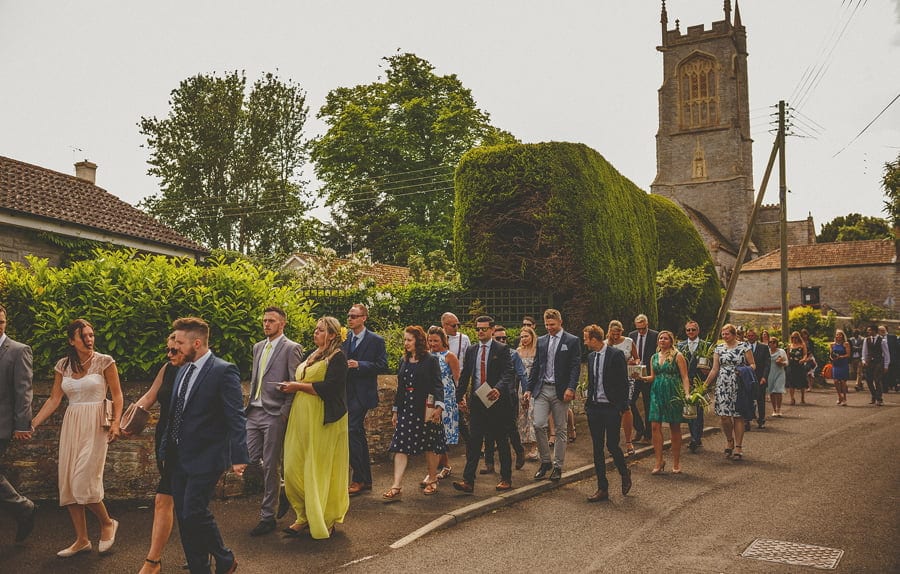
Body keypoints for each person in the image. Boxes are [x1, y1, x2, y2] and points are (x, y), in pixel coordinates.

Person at [158, 317, 247, 573]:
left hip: (207, 456)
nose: (175, 347)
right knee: (185, 519)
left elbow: (235, 415)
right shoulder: (182, 370)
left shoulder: (223, 370)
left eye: (181, 342)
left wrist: (239, 455)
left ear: (197, 343)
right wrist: (166, 450)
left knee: (194, 511)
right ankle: (200, 568)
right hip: (177, 457)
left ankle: (225, 557)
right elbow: (174, 414)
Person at [30, 318, 123, 558]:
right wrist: (32, 424)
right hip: (72, 423)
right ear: (72, 340)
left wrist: (115, 423)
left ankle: (107, 523)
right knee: (69, 483)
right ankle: (82, 539)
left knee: (84, 480)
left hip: (95, 424)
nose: (89, 340)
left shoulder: (105, 362)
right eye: (84, 336)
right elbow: (54, 399)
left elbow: (118, 394)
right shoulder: (63, 365)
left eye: (91, 335)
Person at [280, 317, 350, 537]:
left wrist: (297, 386)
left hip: (323, 417)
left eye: (320, 330)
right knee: (293, 467)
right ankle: (302, 514)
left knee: (319, 468)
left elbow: (330, 387)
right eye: (315, 329)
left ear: (331, 334)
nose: (315, 332)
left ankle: (324, 516)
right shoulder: (313, 353)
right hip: (301, 416)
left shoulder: (338, 357)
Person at [126, 334, 186, 573]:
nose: (169, 354)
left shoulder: (201, 373)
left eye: (174, 350)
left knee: (164, 499)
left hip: (187, 444)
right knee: (183, 502)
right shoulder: (167, 369)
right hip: (165, 441)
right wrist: (127, 422)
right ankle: (210, 552)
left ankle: (153, 561)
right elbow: (150, 397)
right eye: (167, 350)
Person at [245, 306, 303, 535]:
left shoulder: (292, 348)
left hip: (274, 413)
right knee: (247, 459)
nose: (266, 324)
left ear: (282, 324)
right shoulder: (258, 347)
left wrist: (284, 413)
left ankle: (267, 517)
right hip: (253, 412)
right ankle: (282, 489)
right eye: (264, 320)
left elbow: (293, 383)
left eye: (271, 321)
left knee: (270, 464)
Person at [453, 316, 516, 493]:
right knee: (474, 442)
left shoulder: (501, 349)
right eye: (478, 329)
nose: (480, 331)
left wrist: (498, 388)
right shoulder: (472, 350)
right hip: (478, 401)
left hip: (497, 401)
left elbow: (508, 373)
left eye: (483, 329)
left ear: (492, 330)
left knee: (501, 441)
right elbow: (465, 375)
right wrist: (459, 397)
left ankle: (506, 478)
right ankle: (468, 481)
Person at [383, 326, 445, 500]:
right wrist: (395, 411)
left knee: (429, 445)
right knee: (400, 446)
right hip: (407, 409)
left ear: (418, 340)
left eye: (409, 340)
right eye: (405, 340)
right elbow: (400, 388)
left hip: (425, 409)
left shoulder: (430, 360)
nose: (406, 343)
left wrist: (439, 408)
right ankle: (396, 485)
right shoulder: (404, 360)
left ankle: (432, 479)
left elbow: (437, 385)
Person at [523, 308, 581, 481]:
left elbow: (575, 366)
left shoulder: (571, 340)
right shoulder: (541, 341)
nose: (549, 328)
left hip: (561, 390)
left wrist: (571, 387)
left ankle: (558, 465)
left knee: (561, 428)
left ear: (560, 322)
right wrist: (528, 388)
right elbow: (536, 366)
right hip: (542, 388)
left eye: (552, 325)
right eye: (547, 325)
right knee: (539, 424)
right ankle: (545, 461)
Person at [582, 325, 632, 502]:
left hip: (611, 408)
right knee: (597, 448)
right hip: (594, 408)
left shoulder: (615, 355)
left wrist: (621, 407)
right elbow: (592, 380)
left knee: (612, 445)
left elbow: (623, 382)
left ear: (594, 339)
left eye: (586, 338)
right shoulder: (590, 357)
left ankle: (624, 472)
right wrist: (588, 403)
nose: (585, 341)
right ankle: (602, 488)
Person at [343, 304, 387, 497]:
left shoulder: (376, 340)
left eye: (354, 316)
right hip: (346, 392)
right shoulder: (344, 338)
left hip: (363, 394)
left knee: (352, 430)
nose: (350, 319)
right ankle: (366, 479)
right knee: (357, 434)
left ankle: (358, 479)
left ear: (364, 318)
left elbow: (382, 365)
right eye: (349, 316)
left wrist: (359, 364)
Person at [0, 304, 36, 544]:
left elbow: (24, 391)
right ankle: (23, 508)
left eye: (1, 321)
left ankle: (24, 507)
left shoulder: (18, 351)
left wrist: (22, 424)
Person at [635, 330, 690, 474]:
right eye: (660, 338)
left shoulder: (678, 356)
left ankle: (676, 462)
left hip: (673, 392)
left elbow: (685, 377)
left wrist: (687, 393)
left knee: (674, 426)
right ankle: (659, 461)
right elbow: (652, 377)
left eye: (665, 338)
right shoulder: (653, 357)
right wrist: (641, 378)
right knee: (654, 426)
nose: (662, 340)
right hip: (656, 392)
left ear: (671, 341)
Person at [704, 324, 755, 461]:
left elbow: (753, 365)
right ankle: (729, 440)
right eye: (723, 334)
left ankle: (738, 446)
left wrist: (743, 370)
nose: (724, 336)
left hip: (738, 384)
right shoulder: (719, 348)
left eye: (727, 334)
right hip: (722, 385)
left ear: (733, 334)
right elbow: (715, 369)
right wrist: (705, 385)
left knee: (738, 416)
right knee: (724, 417)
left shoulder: (744, 347)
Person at [481, 325, 525, 473]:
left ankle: (519, 452)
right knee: (488, 428)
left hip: (508, 395)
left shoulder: (513, 354)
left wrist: (526, 392)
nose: (502, 340)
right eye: (498, 338)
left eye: (504, 338)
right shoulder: (485, 353)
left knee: (510, 428)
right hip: (488, 393)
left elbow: (521, 374)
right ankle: (489, 463)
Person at [426, 326, 460, 482]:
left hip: (447, 398)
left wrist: (461, 398)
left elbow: (457, 379)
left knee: (442, 434)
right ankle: (445, 466)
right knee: (434, 434)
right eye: (430, 340)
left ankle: (432, 472)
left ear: (443, 340)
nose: (433, 344)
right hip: (431, 398)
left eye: (436, 341)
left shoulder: (449, 356)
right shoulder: (426, 356)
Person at [675, 320, 711, 453]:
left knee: (699, 412)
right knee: (689, 409)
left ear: (698, 330)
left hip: (700, 383)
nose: (690, 332)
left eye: (693, 330)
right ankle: (694, 437)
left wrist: (706, 372)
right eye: (688, 330)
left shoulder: (705, 345)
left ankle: (696, 438)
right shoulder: (680, 345)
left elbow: (711, 365)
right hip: (685, 383)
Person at [628, 314, 659, 444]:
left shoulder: (655, 335)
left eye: (643, 328)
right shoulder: (632, 336)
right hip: (635, 374)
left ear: (647, 325)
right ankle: (639, 428)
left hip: (648, 374)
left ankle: (648, 434)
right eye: (639, 328)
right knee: (629, 401)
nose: (641, 331)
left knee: (648, 404)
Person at [514, 326, 538, 461]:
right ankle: (523, 445)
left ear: (532, 336)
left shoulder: (537, 350)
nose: (523, 339)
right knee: (522, 415)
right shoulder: (518, 352)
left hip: (533, 386)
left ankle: (535, 447)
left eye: (526, 336)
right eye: (522, 336)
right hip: (521, 387)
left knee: (532, 415)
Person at [746, 329, 771, 429]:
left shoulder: (763, 348)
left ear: (756, 337)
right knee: (747, 399)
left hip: (760, 377)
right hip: (747, 377)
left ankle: (761, 420)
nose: (750, 338)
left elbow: (767, 364)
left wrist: (764, 377)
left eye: (752, 336)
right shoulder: (743, 347)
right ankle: (747, 420)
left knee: (760, 400)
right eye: (749, 336)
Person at [861, 325, 888, 406]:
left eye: (869, 330)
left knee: (877, 379)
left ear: (874, 331)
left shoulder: (882, 340)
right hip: (869, 362)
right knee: (869, 380)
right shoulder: (867, 340)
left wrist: (886, 365)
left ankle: (879, 398)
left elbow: (886, 353)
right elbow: (864, 351)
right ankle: (874, 395)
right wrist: (863, 360)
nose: (868, 332)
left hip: (878, 361)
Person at [786, 332, 810, 406]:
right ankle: (792, 398)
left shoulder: (802, 345)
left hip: (799, 365)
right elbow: (787, 356)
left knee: (802, 381)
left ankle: (802, 397)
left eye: (796, 337)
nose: (794, 339)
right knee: (791, 382)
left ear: (798, 338)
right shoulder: (789, 346)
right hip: (792, 365)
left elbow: (805, 354)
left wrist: (803, 359)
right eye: (793, 337)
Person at [767, 337, 787, 417]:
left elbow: (786, 362)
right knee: (771, 391)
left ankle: (779, 409)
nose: (771, 343)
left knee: (778, 390)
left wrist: (781, 362)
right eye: (770, 342)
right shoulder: (767, 352)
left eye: (773, 342)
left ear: (776, 343)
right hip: (770, 373)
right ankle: (774, 409)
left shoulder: (781, 351)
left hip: (780, 373)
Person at [829, 330, 851, 406]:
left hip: (843, 364)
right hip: (835, 364)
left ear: (843, 336)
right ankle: (839, 396)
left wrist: (840, 357)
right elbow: (831, 354)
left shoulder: (846, 344)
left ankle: (844, 398)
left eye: (840, 335)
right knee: (835, 381)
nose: (838, 336)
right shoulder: (832, 344)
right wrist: (832, 358)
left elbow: (848, 354)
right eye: (837, 335)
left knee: (842, 382)